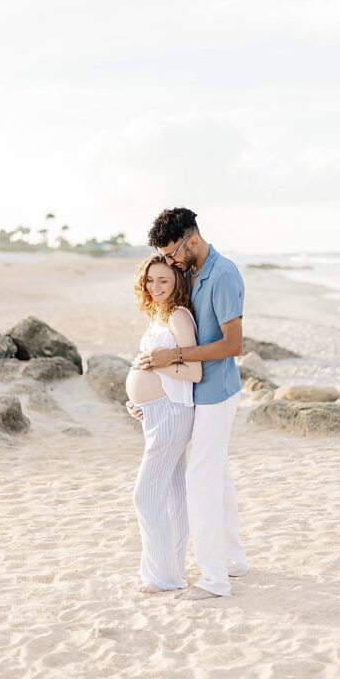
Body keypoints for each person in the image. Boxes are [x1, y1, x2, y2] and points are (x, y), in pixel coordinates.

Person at [131, 207, 248, 601]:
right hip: (196, 396)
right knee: (219, 479)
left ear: (192, 241)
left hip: (216, 393)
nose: (169, 262)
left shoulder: (224, 274)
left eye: (172, 254)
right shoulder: (194, 272)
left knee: (201, 481)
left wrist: (174, 358)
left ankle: (214, 580)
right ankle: (234, 561)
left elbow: (234, 345)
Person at [125, 254, 201, 593]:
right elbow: (151, 366)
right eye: (151, 280)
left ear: (176, 283)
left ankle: (163, 576)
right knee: (173, 493)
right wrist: (136, 400)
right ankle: (171, 570)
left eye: (164, 281)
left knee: (145, 495)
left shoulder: (179, 316)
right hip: (155, 413)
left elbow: (194, 371)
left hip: (172, 413)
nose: (156, 287)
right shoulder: (159, 315)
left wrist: (155, 368)